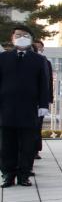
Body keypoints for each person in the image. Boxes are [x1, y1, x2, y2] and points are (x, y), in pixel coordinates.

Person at [0, 26, 50, 187]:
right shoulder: (3, 58)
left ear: (31, 39)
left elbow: (44, 84)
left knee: (27, 144)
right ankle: (8, 174)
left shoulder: (38, 60)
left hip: (29, 108)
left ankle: (24, 174)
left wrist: (43, 104)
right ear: (12, 38)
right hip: (6, 107)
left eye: (25, 35)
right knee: (7, 144)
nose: (21, 38)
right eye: (18, 35)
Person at [32, 40, 54, 161]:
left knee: (38, 126)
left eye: (40, 47)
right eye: (36, 47)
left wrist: (49, 98)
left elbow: (49, 81)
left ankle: (35, 150)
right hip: (29, 99)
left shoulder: (46, 62)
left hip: (41, 100)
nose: (38, 49)